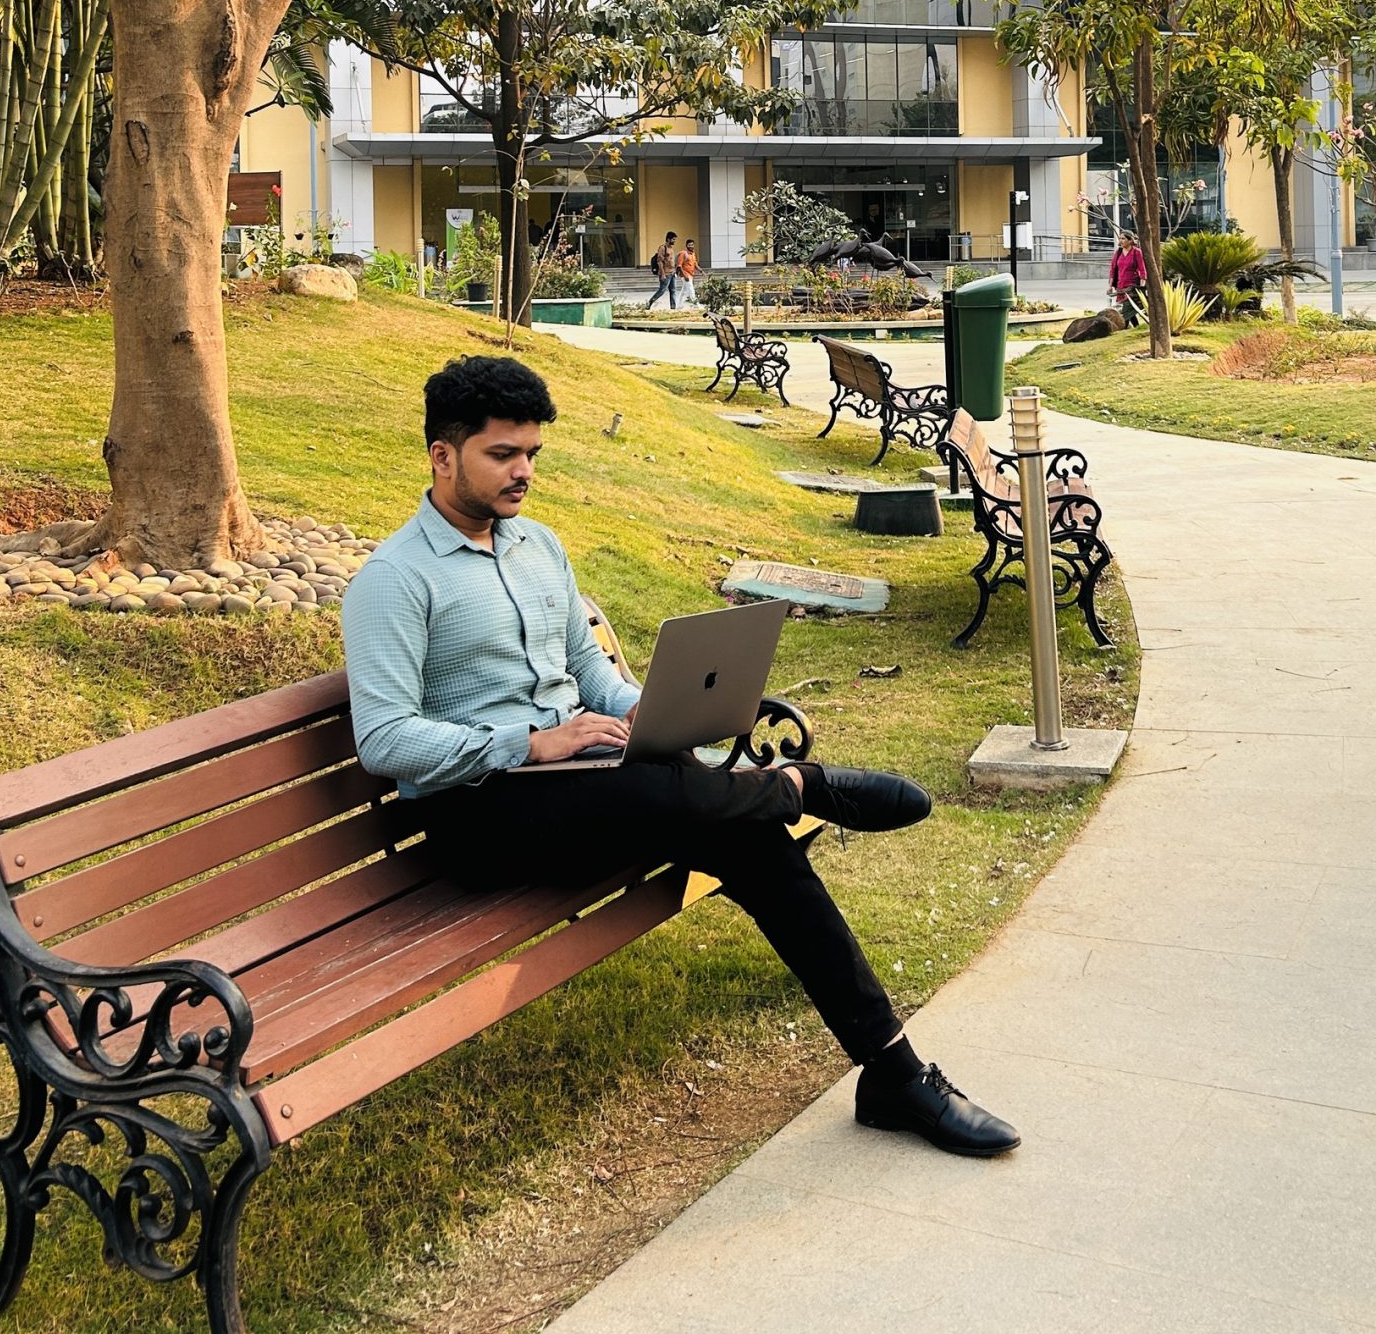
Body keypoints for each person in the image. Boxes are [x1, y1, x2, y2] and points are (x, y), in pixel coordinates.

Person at [341, 355, 1018, 1158]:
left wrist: (644, 711)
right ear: (443, 455)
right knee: (683, 800)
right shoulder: (394, 581)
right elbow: (384, 739)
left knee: (747, 836)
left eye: (532, 454)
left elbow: (585, 668)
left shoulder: (538, 547)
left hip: (584, 784)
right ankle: (797, 785)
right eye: (503, 455)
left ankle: (893, 1073)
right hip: (479, 812)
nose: (524, 471)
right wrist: (530, 742)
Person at [1109, 234, 1150, 324]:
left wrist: (1141, 287)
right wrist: (1110, 286)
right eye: (1120, 238)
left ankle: (1127, 326)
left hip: (1132, 286)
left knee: (1127, 309)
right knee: (1128, 309)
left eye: (1123, 238)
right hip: (1120, 285)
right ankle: (1135, 326)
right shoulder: (1118, 252)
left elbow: (1142, 270)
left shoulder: (1136, 252)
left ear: (1130, 240)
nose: (1121, 240)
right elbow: (1113, 269)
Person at [645, 231, 679, 311]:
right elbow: (659, 261)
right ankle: (650, 302)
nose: (674, 241)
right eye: (673, 239)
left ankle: (673, 307)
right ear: (668, 239)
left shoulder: (671, 248)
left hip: (672, 272)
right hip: (665, 273)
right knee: (662, 290)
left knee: (673, 290)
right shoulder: (663, 248)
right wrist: (662, 273)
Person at [674, 235, 699, 309]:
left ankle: (679, 305)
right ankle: (696, 305)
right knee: (691, 290)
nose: (691, 246)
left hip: (691, 274)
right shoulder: (683, 254)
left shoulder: (693, 254)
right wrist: (685, 275)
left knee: (684, 291)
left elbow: (695, 264)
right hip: (685, 275)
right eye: (689, 245)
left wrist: (701, 271)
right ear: (686, 245)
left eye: (692, 245)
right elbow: (679, 265)